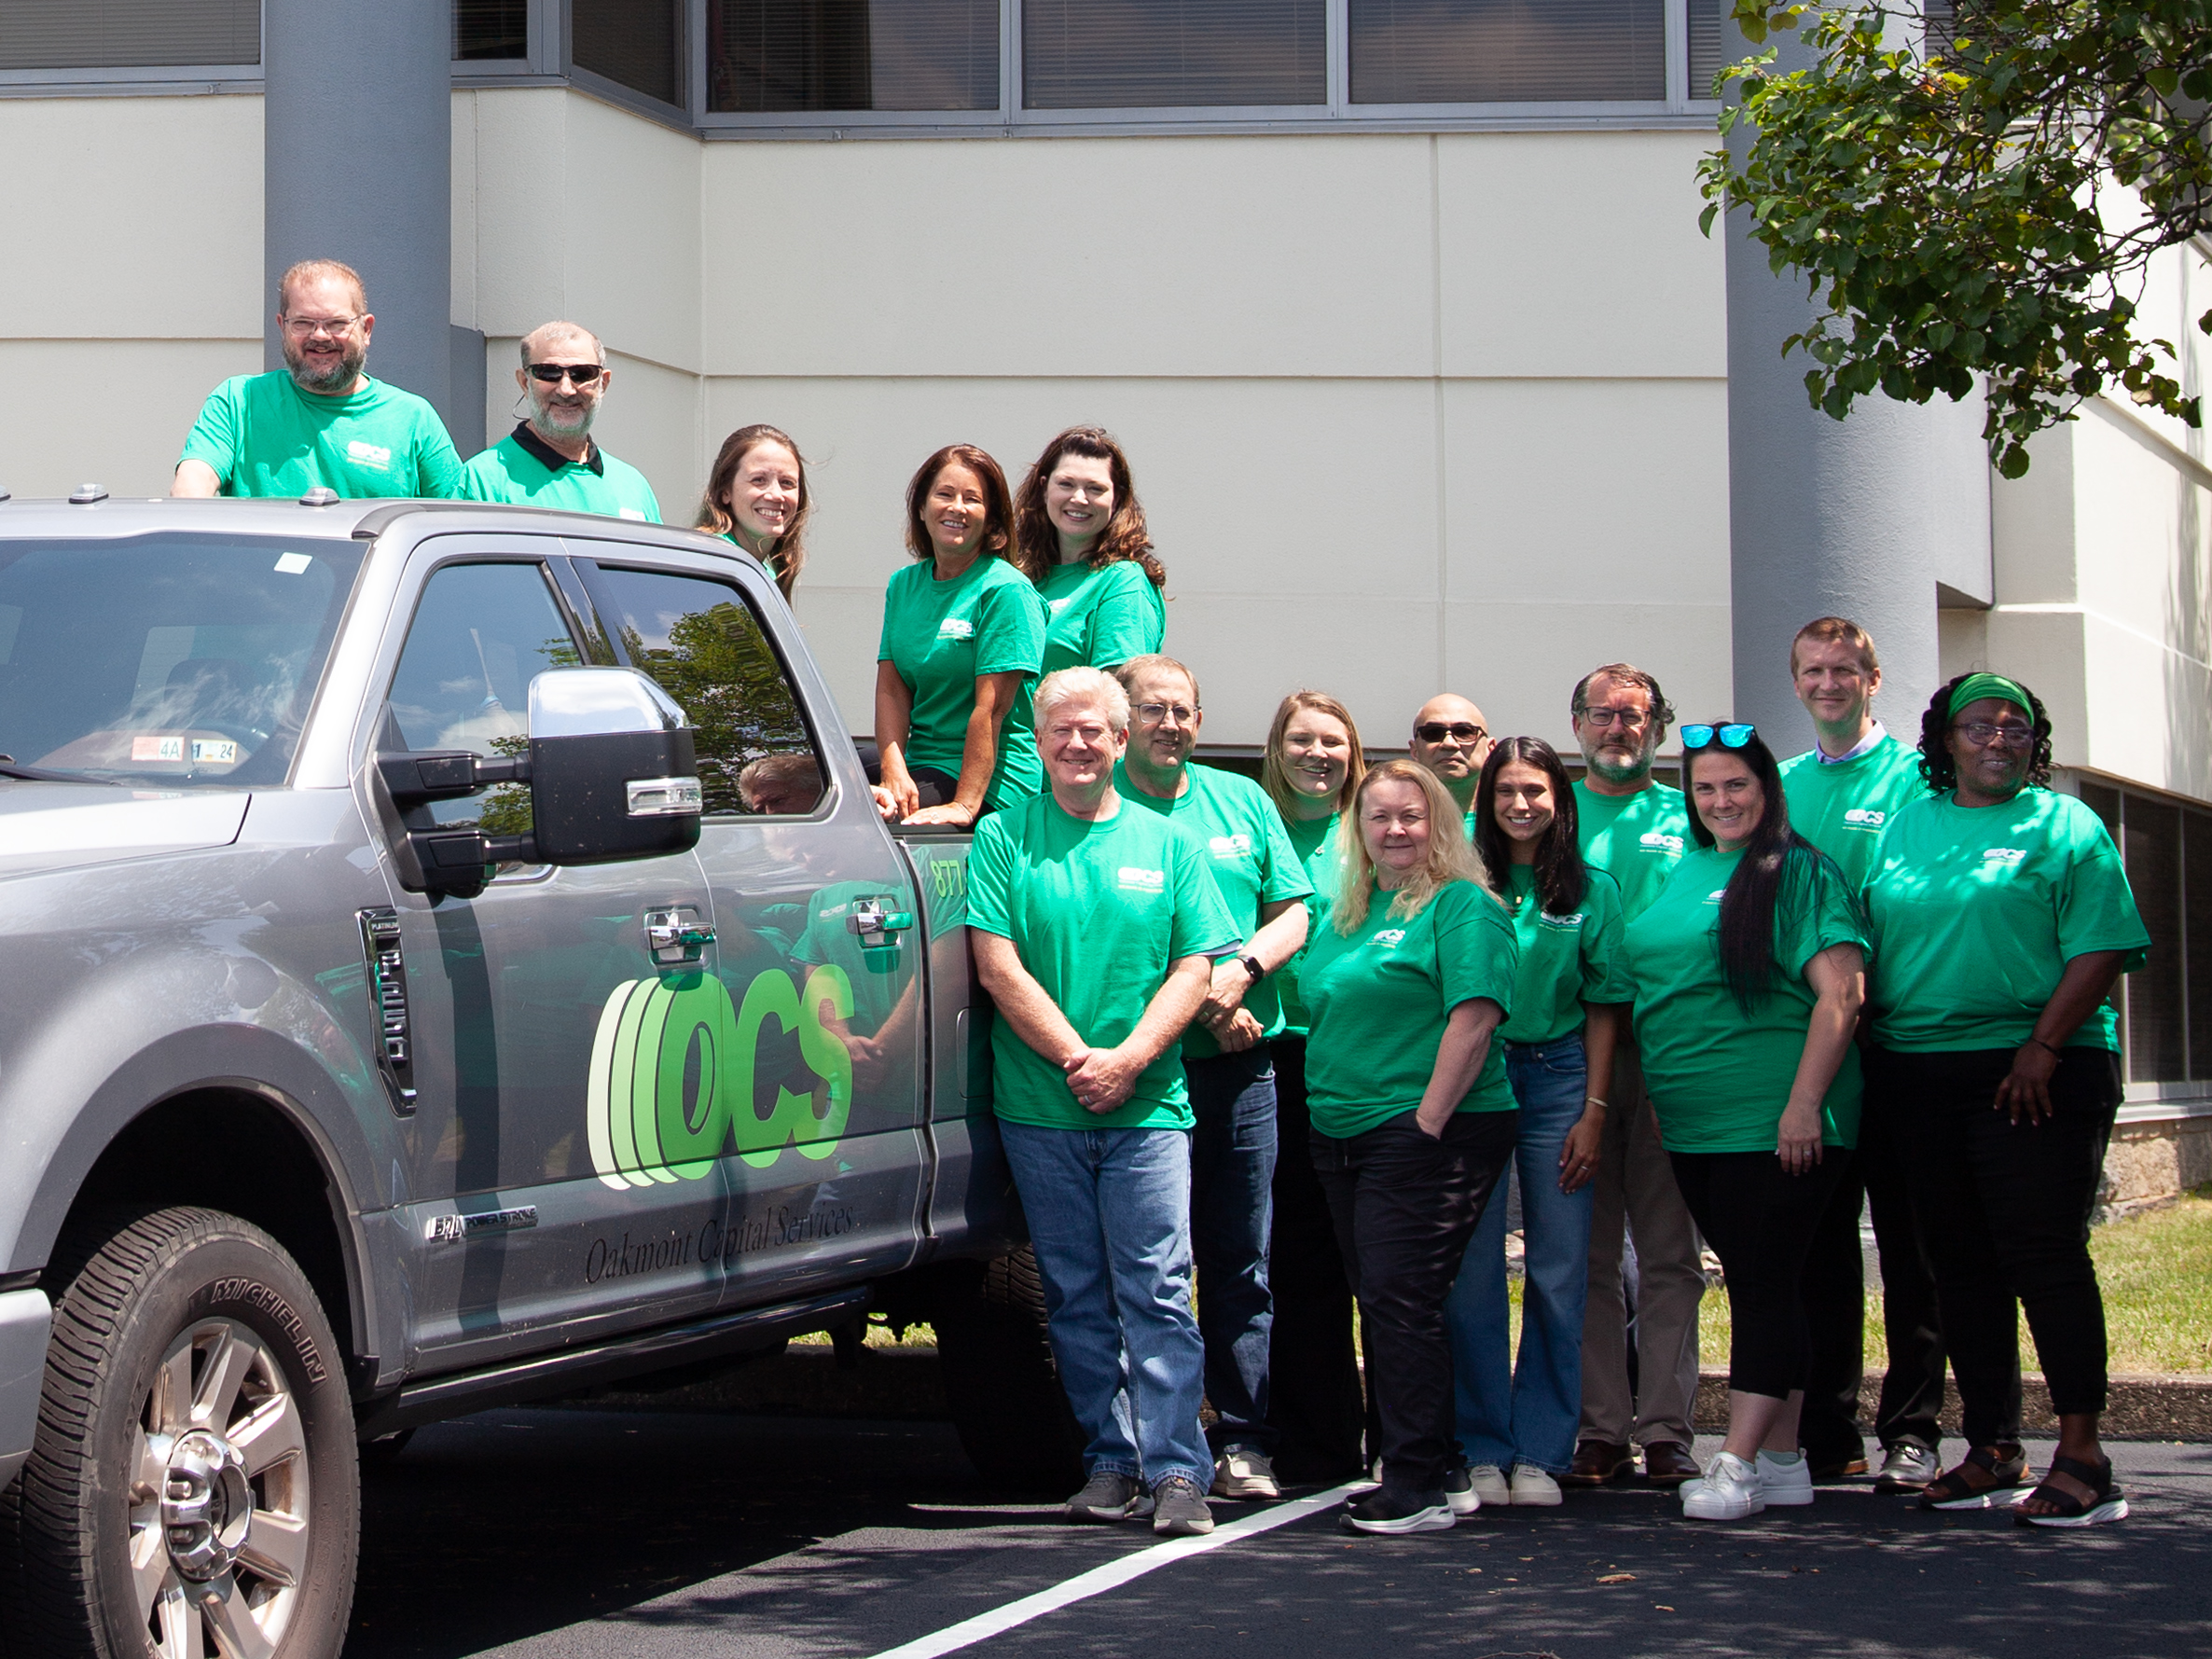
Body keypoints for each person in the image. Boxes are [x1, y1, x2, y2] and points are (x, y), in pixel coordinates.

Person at [1863, 674, 2149, 1528]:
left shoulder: (2067, 825)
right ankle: (1992, 1445)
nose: (1997, 737)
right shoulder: (1906, 826)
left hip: (2038, 1072)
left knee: (2044, 1256)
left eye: (2014, 725)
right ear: (1944, 740)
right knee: (1959, 1265)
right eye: (1977, 724)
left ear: (2035, 739)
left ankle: (2087, 1459)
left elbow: (2100, 948)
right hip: (1918, 1072)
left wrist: (2042, 1047)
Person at [965, 666, 1241, 1538]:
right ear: (1038, 743)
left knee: (1156, 1288)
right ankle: (1110, 1462)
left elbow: (1195, 968)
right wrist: (1079, 1057)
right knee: (1074, 1291)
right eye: (1061, 730)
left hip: (1146, 1109)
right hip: (1040, 1107)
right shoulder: (1005, 838)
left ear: (1122, 742)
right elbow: (996, 963)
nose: (1078, 743)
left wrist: (1127, 1061)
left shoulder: (1170, 845)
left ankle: (1177, 1470)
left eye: (1095, 730)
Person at [1624, 722, 1869, 1521]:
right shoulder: (1685, 866)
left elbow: (1842, 994)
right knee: (1773, 1285)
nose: (1721, 800)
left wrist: (1802, 1105)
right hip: (1692, 1122)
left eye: (1737, 784)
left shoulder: (1797, 872)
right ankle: (1787, 1459)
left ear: (1767, 788)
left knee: (1762, 1284)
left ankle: (1733, 1461)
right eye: (1705, 787)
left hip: (1775, 1118)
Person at [1300, 759, 1519, 1535]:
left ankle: (1417, 1481)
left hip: (1429, 1127)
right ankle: (1445, 1463)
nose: (1395, 830)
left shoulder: (1462, 906)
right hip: (1342, 1128)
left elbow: (1476, 1016)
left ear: (1441, 824)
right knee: (1390, 1301)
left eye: (1412, 816)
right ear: (1357, 833)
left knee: (1399, 1299)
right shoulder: (1347, 910)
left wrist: (1426, 1122)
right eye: (1378, 817)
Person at [1114, 656, 1311, 1500]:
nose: (1171, 723)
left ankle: (1243, 1438)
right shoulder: (1099, 806)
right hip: (1148, 1074)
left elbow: (1293, 908)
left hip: (1241, 1071)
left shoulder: (1241, 799)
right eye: (1153, 709)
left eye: (1183, 710)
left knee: (1240, 1259)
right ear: (1124, 719)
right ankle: (1141, 1441)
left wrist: (1243, 974)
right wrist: (1205, 1004)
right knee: (1151, 1263)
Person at [1777, 616, 1953, 1492]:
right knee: (1819, 1246)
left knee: (1913, 1244)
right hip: (1814, 1045)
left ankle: (1913, 1428)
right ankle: (1828, 1429)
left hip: (1901, 1038)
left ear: (1874, 680)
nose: (1829, 682)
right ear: (1797, 680)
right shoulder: (1782, 786)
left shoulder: (1922, 777)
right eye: (1814, 669)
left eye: (1845, 668)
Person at [1446, 738, 1632, 1509]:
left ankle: (1541, 1449)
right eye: (1506, 792)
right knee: (1474, 1273)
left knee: (1559, 1271)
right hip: (1478, 1077)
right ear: (1485, 801)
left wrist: (1593, 1110)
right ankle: (1483, 1445)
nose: (1521, 805)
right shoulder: (1459, 881)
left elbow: (1604, 1006)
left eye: (1536, 791)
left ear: (1561, 797)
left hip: (1560, 1080)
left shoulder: (1592, 887)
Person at [1564, 663, 1705, 1492]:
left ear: (1657, 728)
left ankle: (1666, 1429)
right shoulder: (1549, 811)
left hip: (1667, 1055)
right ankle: (1598, 1428)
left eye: (1636, 716)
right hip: (1569, 1059)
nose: (1619, 729)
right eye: (1603, 715)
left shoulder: (1688, 815)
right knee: (1580, 1253)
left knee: (1667, 1252)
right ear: (1576, 722)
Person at [1257, 690, 1372, 1484]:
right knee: (1290, 1254)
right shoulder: (1253, 826)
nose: (1317, 754)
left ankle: (1362, 1431)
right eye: (1302, 739)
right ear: (1276, 747)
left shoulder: (1373, 829)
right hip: (1276, 1058)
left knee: (1359, 1256)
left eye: (1333, 741)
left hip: (1364, 1061)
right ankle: (1307, 1437)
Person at [173, 259, 463, 500]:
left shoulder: (412, 419)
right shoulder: (239, 402)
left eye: (336, 323)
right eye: (303, 323)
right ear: (282, 327)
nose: (320, 336)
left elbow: (456, 522)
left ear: (366, 329)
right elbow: (192, 484)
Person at [874, 445, 1047, 825]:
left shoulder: (1006, 591)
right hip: (921, 764)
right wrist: (893, 771)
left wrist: (964, 806)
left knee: (871, 825)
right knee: (803, 789)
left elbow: (992, 710)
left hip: (987, 781)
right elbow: (892, 688)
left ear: (992, 521)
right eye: (944, 494)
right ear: (921, 508)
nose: (957, 507)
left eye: (973, 499)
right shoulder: (903, 585)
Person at [455, 322, 660, 520]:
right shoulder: (483, 482)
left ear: (603, 383)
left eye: (582, 374)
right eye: (549, 373)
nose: (566, 389)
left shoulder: (633, 486)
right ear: (525, 383)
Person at [1012, 426, 1168, 676]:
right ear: (1043, 488)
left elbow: (1120, 697)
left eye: (1095, 488)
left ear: (1116, 498)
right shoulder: (1020, 575)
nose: (1079, 498)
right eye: (1066, 484)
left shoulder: (1122, 582)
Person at [698, 423, 809, 601]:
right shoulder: (710, 563)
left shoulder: (762, 570)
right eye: (758, 480)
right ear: (726, 491)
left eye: (787, 483)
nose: (776, 495)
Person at [1408, 694, 1493, 833]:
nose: (1449, 743)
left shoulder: (1511, 821)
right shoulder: (1396, 825)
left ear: (1490, 748)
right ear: (1415, 751)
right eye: (1433, 733)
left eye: (1464, 732)